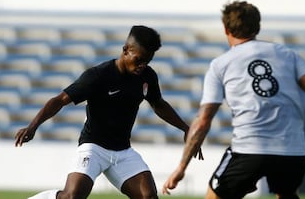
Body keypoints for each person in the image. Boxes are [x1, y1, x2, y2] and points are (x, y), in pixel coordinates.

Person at [162, 1, 305, 199]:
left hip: (249, 149)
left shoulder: (221, 64)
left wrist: (181, 167)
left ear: (226, 28)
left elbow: (203, 121)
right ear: (258, 27)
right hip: (291, 150)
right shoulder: (289, 55)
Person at [15, 25, 203, 199]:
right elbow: (59, 100)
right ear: (125, 50)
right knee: (72, 196)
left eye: (147, 61)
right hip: (94, 147)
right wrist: (32, 127)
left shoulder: (147, 76)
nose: (142, 66)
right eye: (138, 59)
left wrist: (186, 128)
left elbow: (158, 104)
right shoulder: (98, 76)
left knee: (149, 197)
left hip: (123, 151)